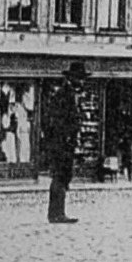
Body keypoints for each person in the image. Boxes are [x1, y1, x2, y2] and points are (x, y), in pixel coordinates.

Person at [45, 61, 88, 224]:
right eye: (80, 78)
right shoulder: (64, 95)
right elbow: (58, 121)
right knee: (60, 176)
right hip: (61, 144)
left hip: (64, 143)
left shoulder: (68, 93)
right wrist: (66, 138)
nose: (82, 82)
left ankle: (57, 212)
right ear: (73, 78)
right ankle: (56, 214)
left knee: (63, 176)